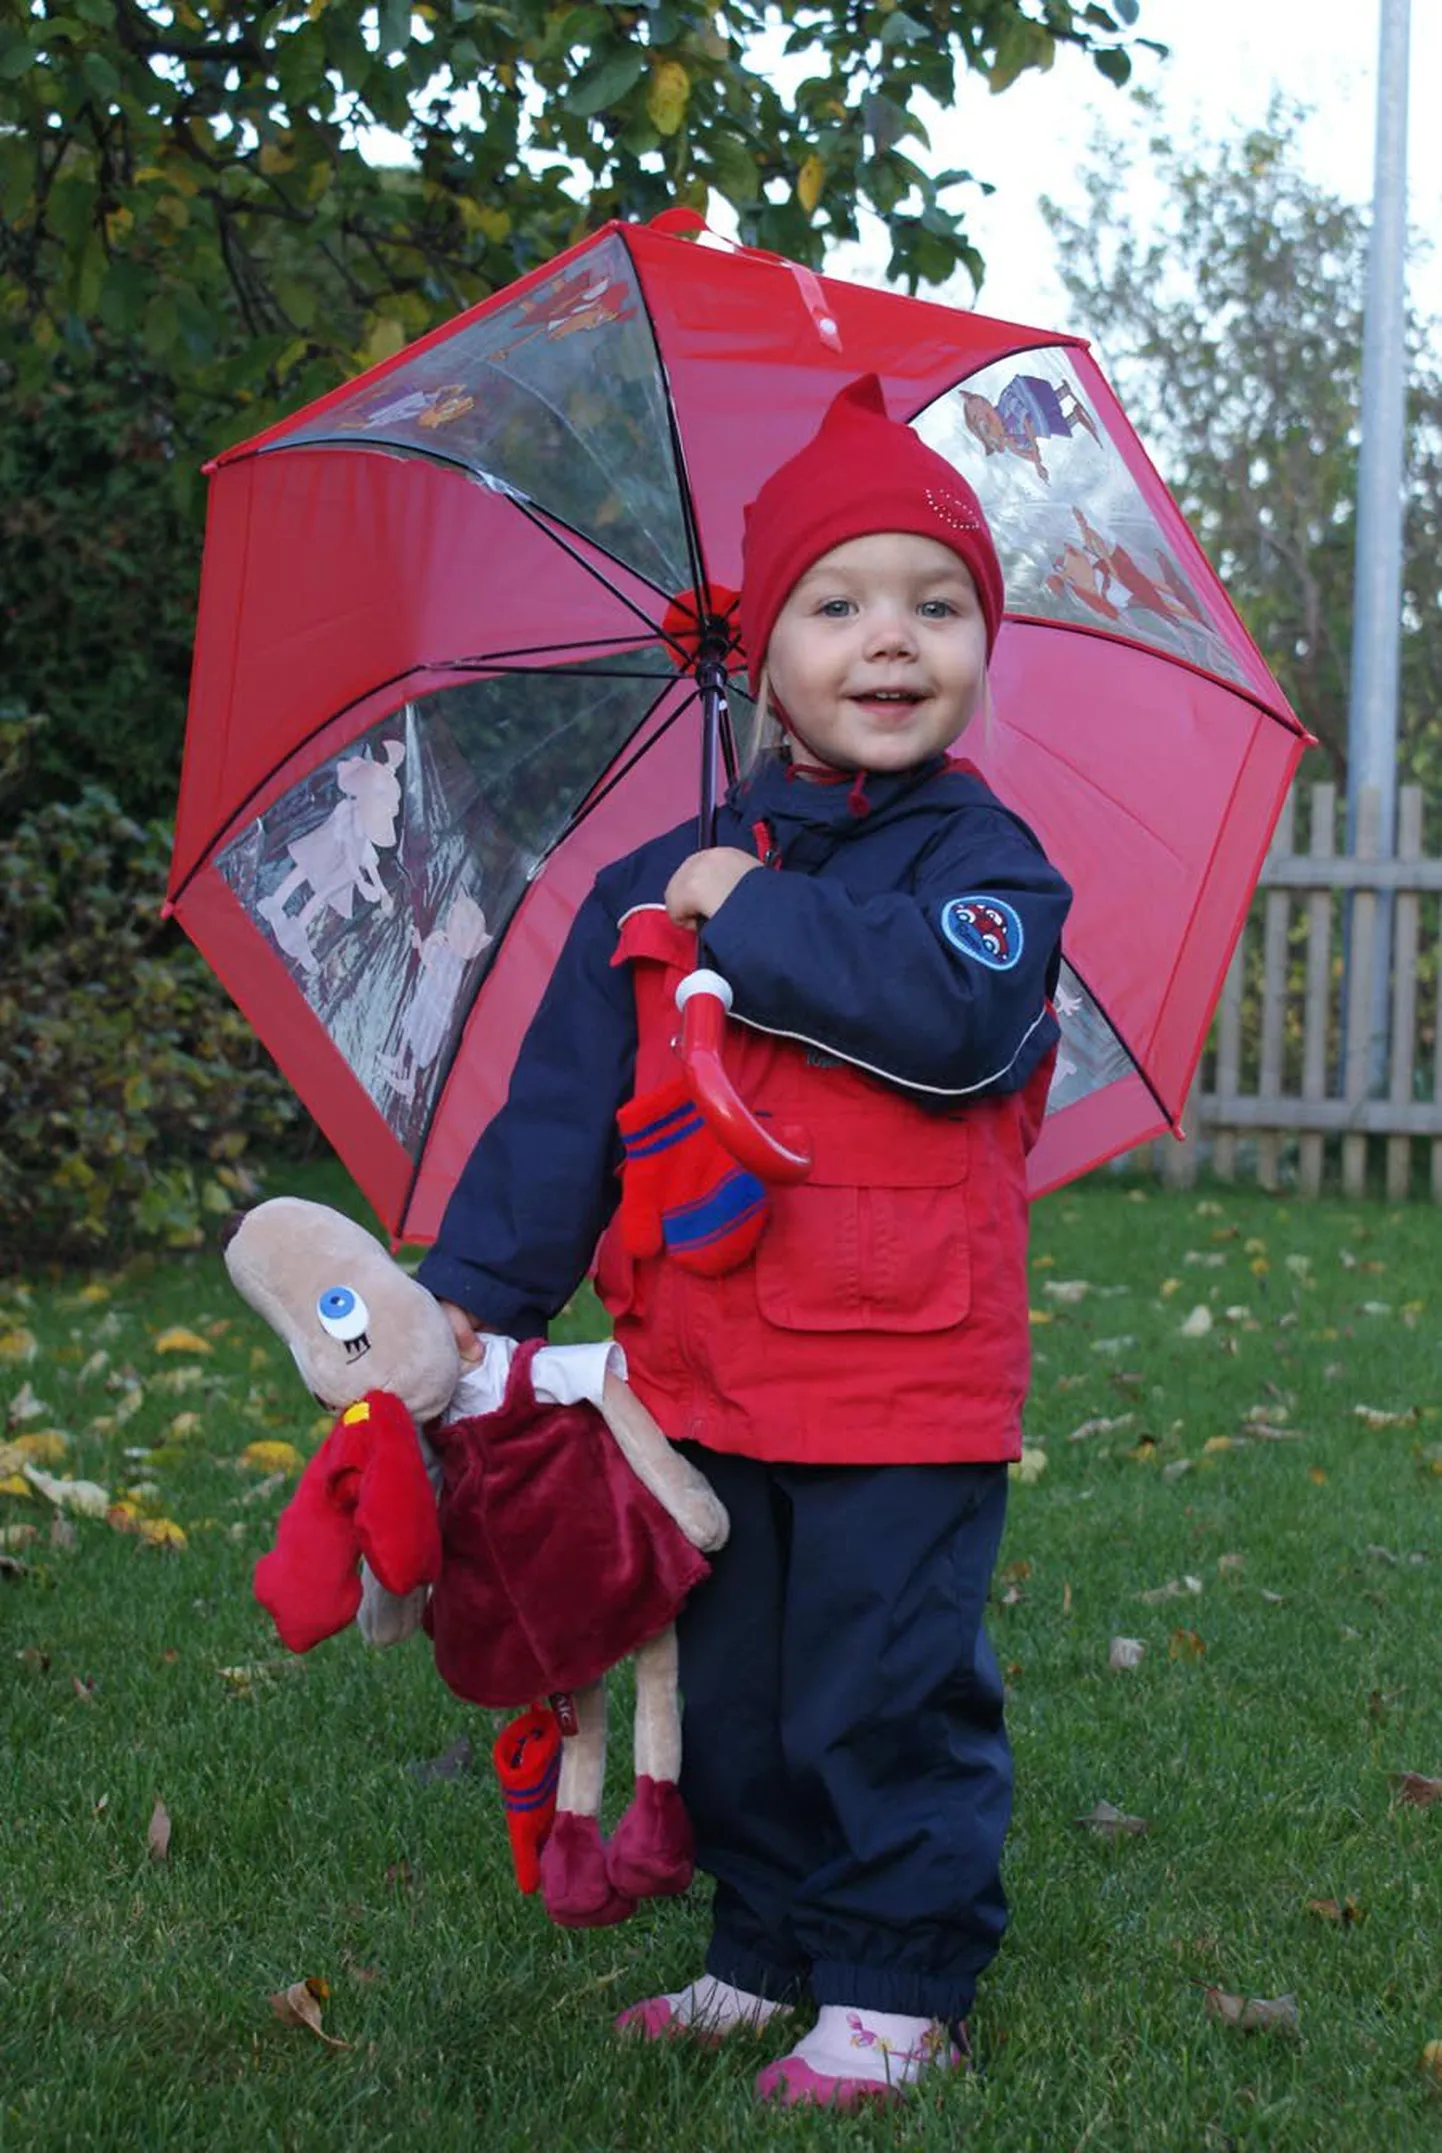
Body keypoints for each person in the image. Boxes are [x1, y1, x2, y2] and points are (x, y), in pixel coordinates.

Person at [415, 374, 1073, 2112]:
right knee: (733, 1689)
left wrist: (760, 916)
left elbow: (959, 1025)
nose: (891, 642)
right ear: (758, 657)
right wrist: (462, 1318)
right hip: (702, 1369)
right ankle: (766, 1943)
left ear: (977, 650)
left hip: (901, 1380)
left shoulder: (986, 872)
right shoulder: (663, 877)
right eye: (836, 604)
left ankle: (892, 1970)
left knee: (878, 1687)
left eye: (936, 608)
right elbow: (560, 1117)